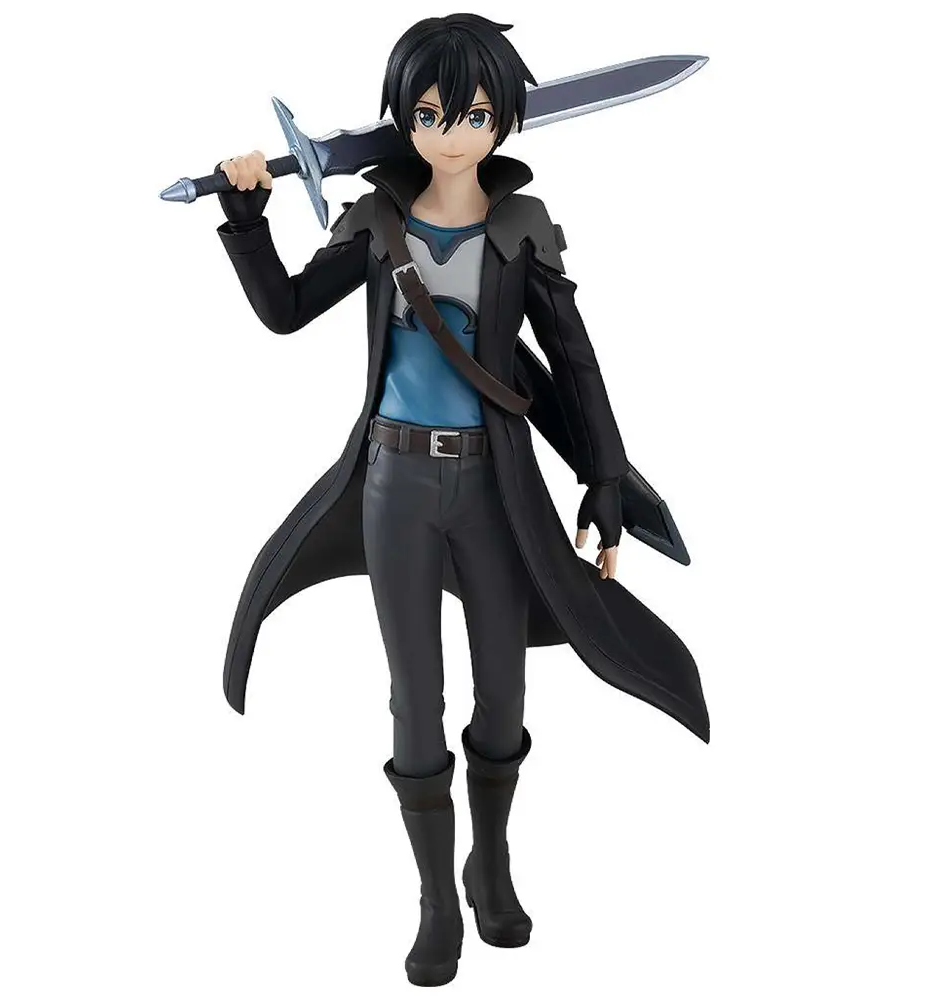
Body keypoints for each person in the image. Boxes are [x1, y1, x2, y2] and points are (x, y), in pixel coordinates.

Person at [214, 13, 707, 987]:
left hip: (493, 484)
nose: (451, 133)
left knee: (503, 690)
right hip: (393, 483)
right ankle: (437, 898)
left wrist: (606, 479)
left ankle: (493, 864)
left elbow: (574, 364)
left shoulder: (520, 230)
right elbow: (284, 312)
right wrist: (244, 218)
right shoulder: (374, 224)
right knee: (415, 698)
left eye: (474, 114)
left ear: (502, 120)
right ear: (403, 118)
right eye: (433, 113)